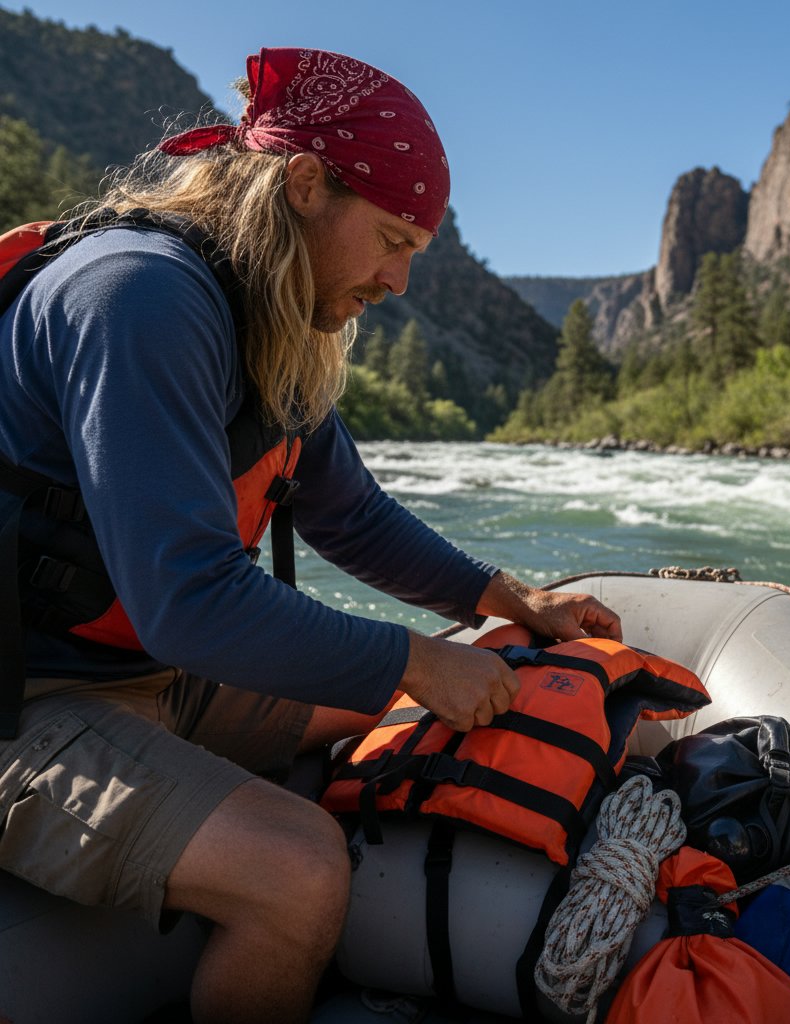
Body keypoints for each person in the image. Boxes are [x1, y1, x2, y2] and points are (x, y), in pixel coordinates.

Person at [0, 47, 621, 1024]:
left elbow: (351, 515)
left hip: (136, 676)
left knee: (391, 706)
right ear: (304, 185)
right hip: (25, 699)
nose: (402, 278)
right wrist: (413, 656)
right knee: (298, 871)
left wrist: (510, 602)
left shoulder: (268, 317)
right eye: (391, 237)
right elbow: (189, 600)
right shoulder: (143, 298)